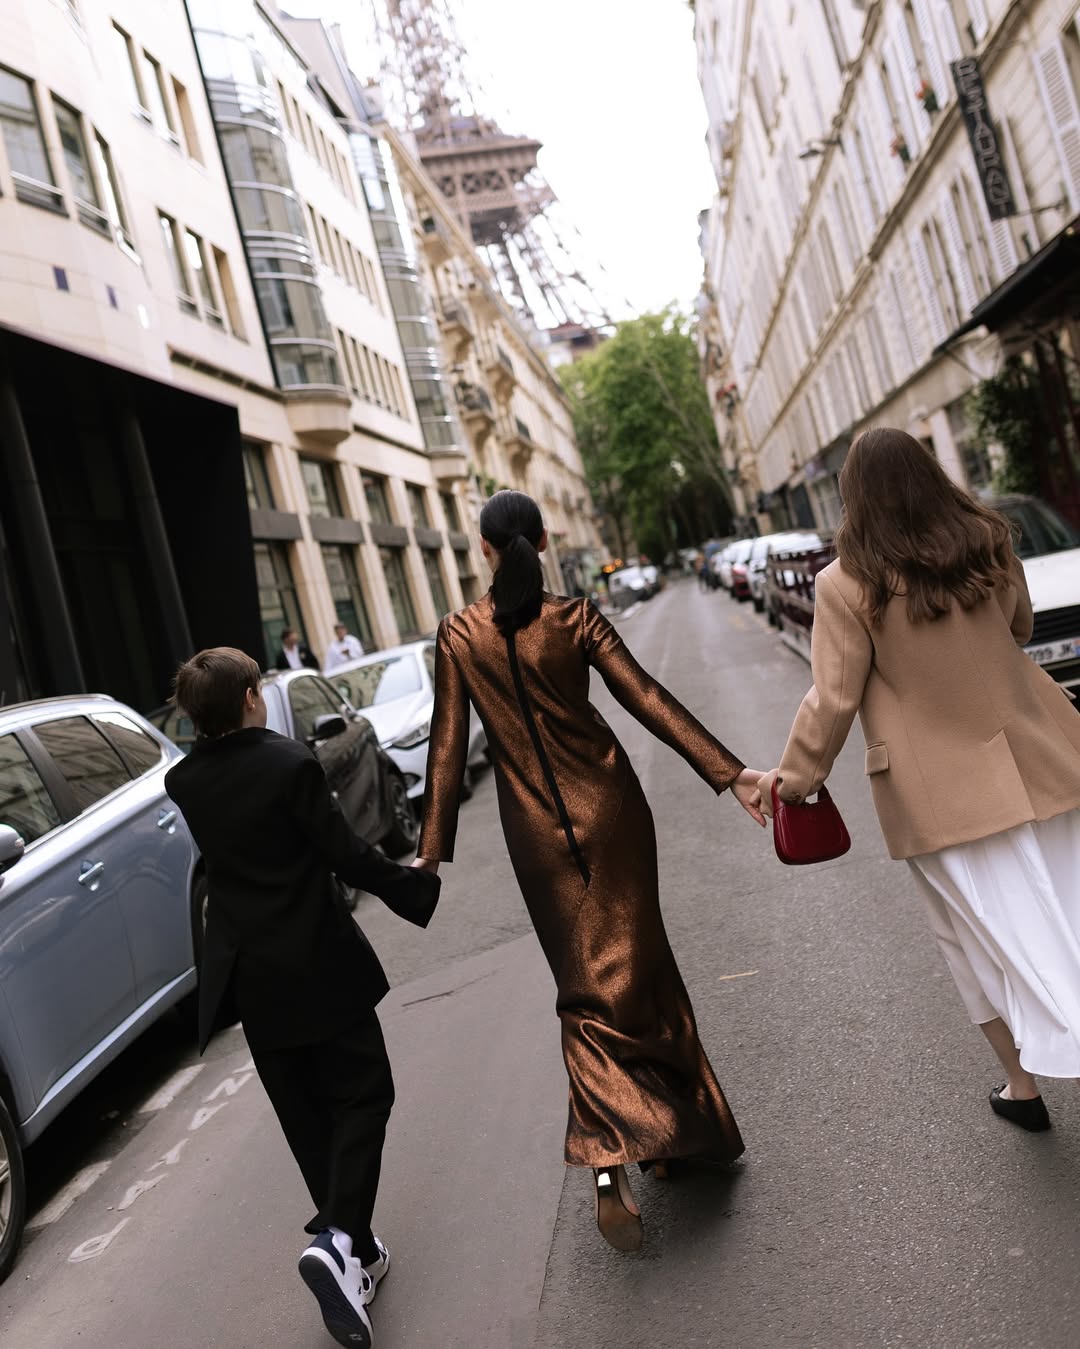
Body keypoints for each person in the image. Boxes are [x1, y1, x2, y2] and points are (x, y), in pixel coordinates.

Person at [413, 490, 765, 1252]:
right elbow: (645, 698)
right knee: (644, 970)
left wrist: (430, 852)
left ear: (483, 550)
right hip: (613, 816)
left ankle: (622, 1157)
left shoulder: (458, 634)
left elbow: (446, 747)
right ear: (543, 541)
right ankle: (660, 1133)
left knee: (583, 992)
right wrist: (730, 772)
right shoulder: (574, 618)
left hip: (535, 839)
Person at [753, 429, 1080, 1131]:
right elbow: (1019, 628)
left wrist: (793, 780)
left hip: (941, 796)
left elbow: (834, 698)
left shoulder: (847, 584)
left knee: (973, 940)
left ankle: (1023, 1086)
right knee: (1070, 910)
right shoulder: (988, 542)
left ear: (853, 497)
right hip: (1044, 758)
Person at [165, 647, 440, 1349]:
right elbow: (345, 854)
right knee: (366, 1093)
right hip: (318, 961)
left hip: (252, 977)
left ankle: (357, 1256)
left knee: (307, 1116)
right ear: (250, 698)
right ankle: (338, 1237)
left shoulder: (184, 781)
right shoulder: (290, 764)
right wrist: (416, 884)